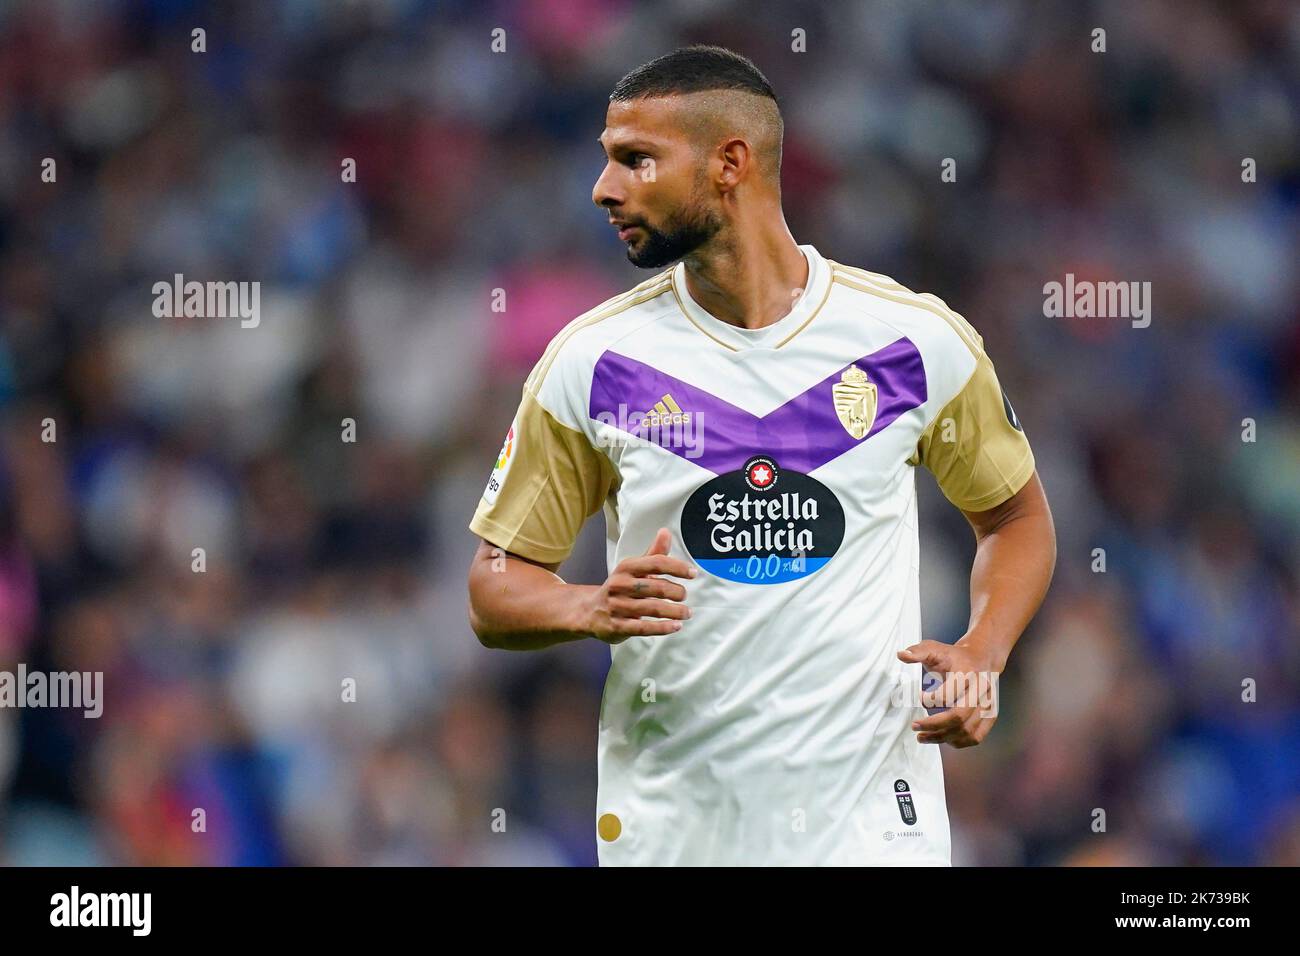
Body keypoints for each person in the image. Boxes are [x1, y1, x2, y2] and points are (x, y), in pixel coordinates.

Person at [466, 45, 1056, 865]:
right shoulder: (593, 362)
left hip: (870, 833)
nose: (604, 188)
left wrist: (981, 651)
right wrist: (588, 606)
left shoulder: (914, 343)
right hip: (675, 835)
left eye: (636, 160)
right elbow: (494, 587)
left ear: (729, 164)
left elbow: (1017, 518)